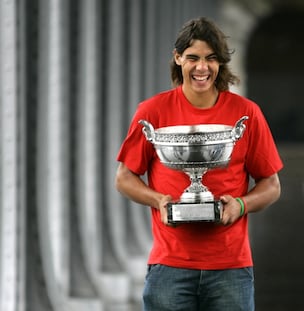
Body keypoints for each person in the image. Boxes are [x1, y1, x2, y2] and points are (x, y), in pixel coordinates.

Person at [115, 17, 283, 311]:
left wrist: (239, 205)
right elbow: (124, 178)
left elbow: (272, 185)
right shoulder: (152, 111)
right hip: (169, 266)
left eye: (210, 58)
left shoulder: (247, 113)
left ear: (220, 63)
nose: (202, 67)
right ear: (178, 58)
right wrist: (159, 201)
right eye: (192, 58)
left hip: (231, 266)